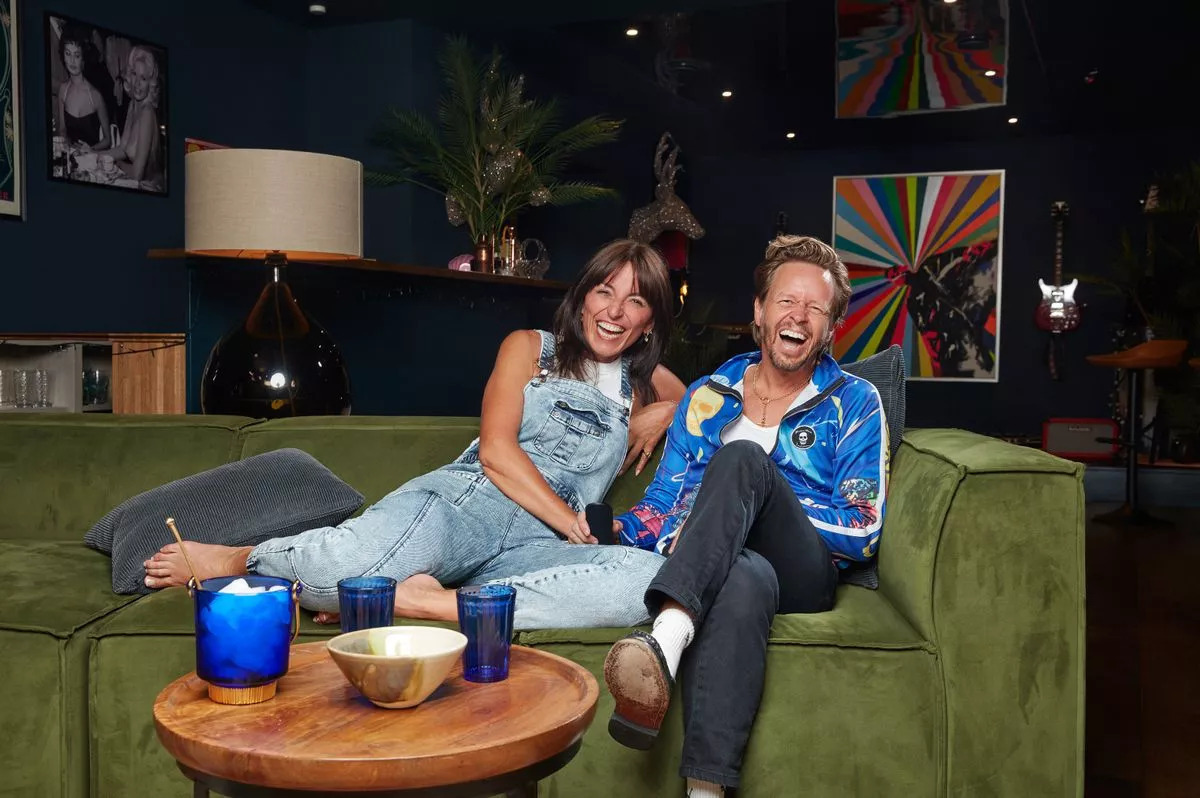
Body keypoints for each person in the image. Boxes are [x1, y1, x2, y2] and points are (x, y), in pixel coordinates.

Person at [143, 239, 684, 631]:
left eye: (636, 301)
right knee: (338, 572)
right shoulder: (529, 347)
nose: (615, 312)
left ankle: (427, 600)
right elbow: (496, 452)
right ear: (583, 296)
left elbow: (706, 400)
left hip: (535, 549)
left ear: (650, 323)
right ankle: (241, 559)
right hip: (466, 508)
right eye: (604, 291)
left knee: (650, 581)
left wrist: (664, 412)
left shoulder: (640, 383)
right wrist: (571, 522)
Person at [601, 235, 889, 798]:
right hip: (737, 570)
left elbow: (862, 529)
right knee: (742, 574)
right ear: (759, 312)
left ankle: (665, 638)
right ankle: (705, 791)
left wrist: (751, 507)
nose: (798, 316)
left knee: (743, 461)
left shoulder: (854, 402)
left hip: (807, 569)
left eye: (816, 309)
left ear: (831, 328)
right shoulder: (708, 396)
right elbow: (662, 502)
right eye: (786, 301)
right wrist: (619, 529)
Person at [88, 46, 162, 187]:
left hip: (149, 188)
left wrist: (113, 163)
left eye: (143, 78)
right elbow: (122, 149)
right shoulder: (133, 104)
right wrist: (94, 154)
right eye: (134, 74)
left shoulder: (147, 113)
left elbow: (137, 174)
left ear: (150, 84)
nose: (137, 83)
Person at [55, 25, 111, 150]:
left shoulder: (95, 96)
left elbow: (107, 140)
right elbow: (62, 129)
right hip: (70, 156)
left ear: (83, 58)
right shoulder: (63, 90)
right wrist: (67, 146)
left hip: (92, 158)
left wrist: (90, 150)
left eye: (77, 55)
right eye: (68, 54)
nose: (72, 61)